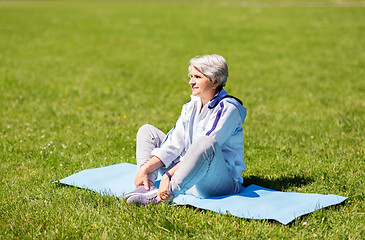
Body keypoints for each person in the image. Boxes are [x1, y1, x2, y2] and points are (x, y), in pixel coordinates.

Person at [124, 54, 247, 205]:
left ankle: (165, 194)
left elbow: (205, 150)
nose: (191, 82)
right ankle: (146, 186)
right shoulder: (192, 104)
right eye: (191, 76)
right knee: (147, 131)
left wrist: (167, 176)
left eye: (197, 77)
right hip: (185, 174)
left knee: (206, 142)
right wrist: (146, 167)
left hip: (216, 183)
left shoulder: (228, 109)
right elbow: (174, 142)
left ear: (215, 81)